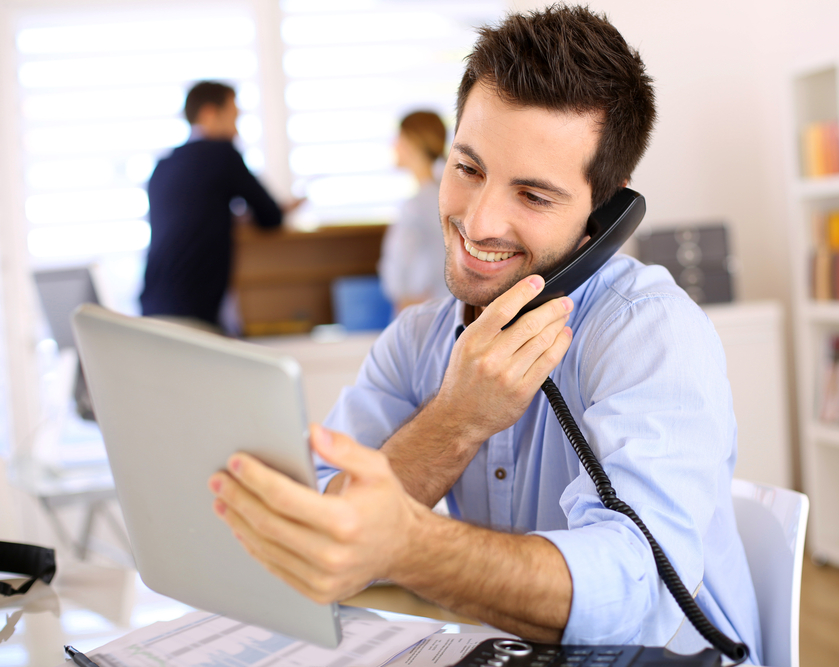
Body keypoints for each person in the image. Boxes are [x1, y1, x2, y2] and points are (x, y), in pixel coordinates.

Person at [208, 5, 761, 661]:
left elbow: (640, 592)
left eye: (533, 195)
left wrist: (411, 545)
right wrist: (458, 417)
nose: (478, 221)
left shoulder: (650, 331)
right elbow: (326, 525)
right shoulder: (417, 338)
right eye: (468, 168)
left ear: (604, 212)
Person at [140, 81, 299, 331]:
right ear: (209, 114)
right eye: (233, 118)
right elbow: (270, 216)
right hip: (194, 311)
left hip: (152, 307)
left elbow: (189, 217)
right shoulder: (222, 154)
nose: (236, 131)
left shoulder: (163, 166)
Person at [378, 111, 452, 313]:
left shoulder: (425, 203)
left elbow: (442, 258)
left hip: (425, 307)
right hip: (424, 306)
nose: (393, 145)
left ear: (412, 142)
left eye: (398, 138)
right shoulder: (428, 197)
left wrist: (410, 300)